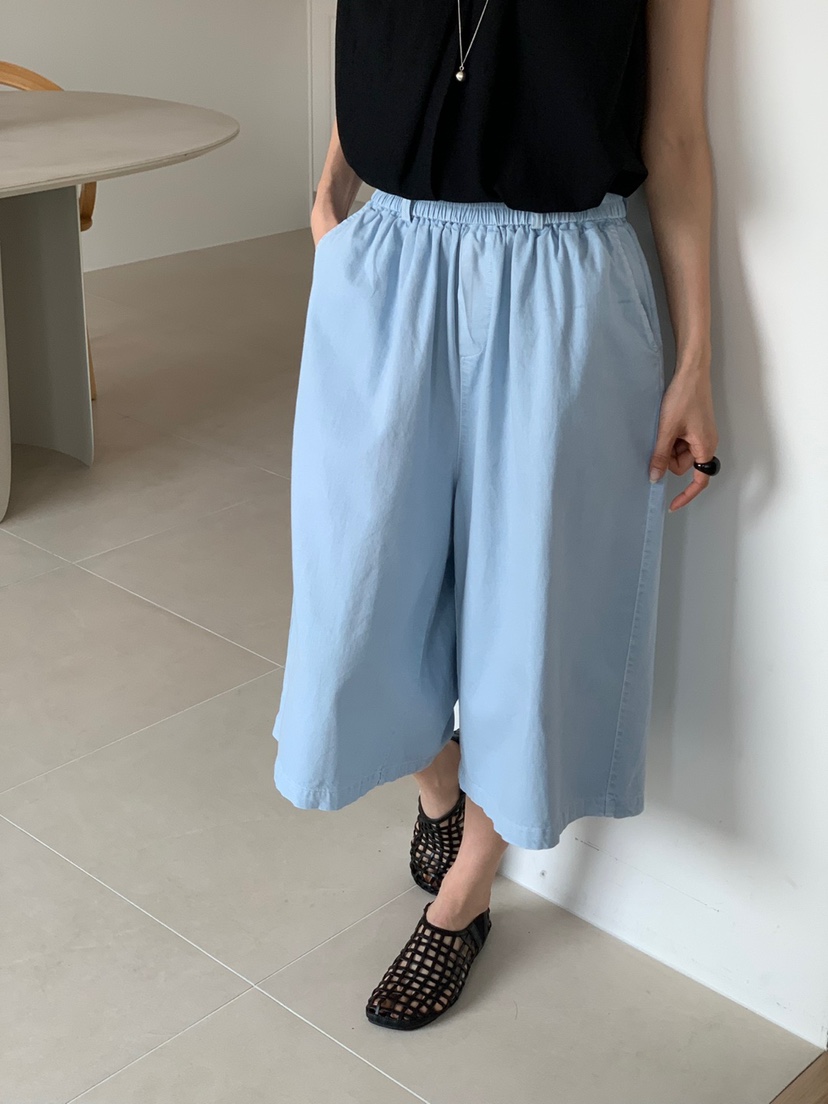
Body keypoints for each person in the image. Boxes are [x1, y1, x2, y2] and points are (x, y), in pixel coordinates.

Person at [272, 0, 719, 1031]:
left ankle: (466, 891)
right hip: (388, 260)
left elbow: (676, 135)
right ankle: (440, 784)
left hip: (563, 275)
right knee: (354, 596)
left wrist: (697, 358)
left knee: (530, 617)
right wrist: (332, 188)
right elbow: (373, 49)